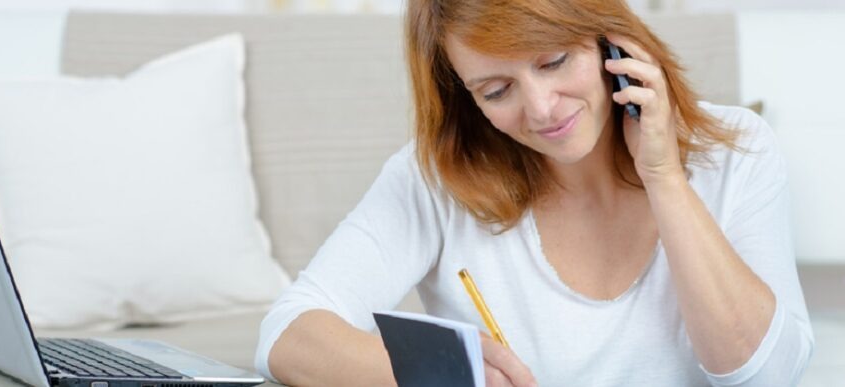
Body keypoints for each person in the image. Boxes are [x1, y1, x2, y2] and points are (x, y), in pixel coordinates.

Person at [255, 0, 814, 385]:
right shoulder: (435, 179)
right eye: (497, 90)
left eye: (554, 61)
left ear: (611, 44)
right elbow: (287, 333)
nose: (542, 109)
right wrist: (444, 374)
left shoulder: (736, 149)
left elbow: (765, 373)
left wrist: (664, 177)